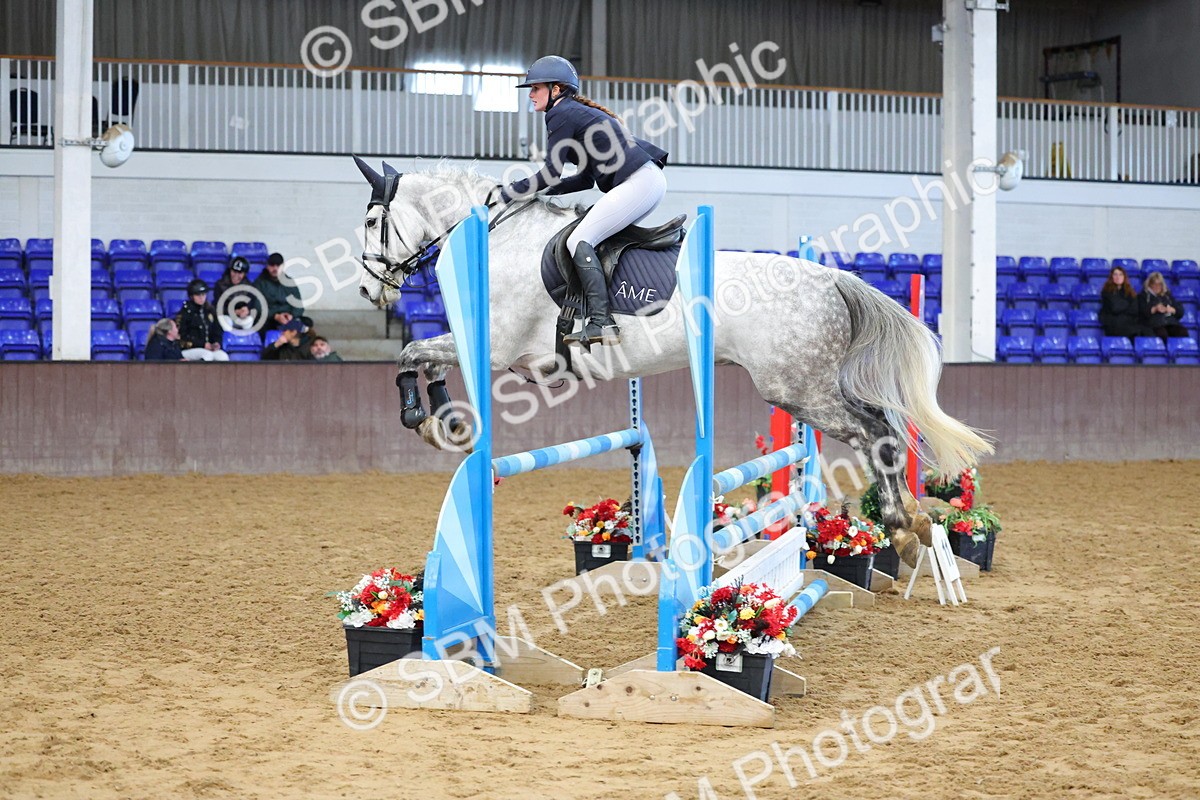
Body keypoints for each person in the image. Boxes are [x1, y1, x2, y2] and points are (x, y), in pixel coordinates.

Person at [498, 55, 668, 348]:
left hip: (639, 182)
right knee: (590, 238)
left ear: (556, 90)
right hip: (646, 182)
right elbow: (584, 180)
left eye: (535, 87)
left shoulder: (560, 114)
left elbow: (551, 173)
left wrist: (512, 190)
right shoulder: (574, 113)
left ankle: (602, 321)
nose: (530, 94)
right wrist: (537, 192)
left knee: (579, 240)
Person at [175, 279, 230, 361]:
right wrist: (202, 344)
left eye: (203, 294)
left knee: (223, 356)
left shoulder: (210, 311)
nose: (201, 298)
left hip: (209, 348)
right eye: (198, 295)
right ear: (191, 296)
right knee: (207, 355)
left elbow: (217, 330)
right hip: (190, 348)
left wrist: (216, 343)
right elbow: (181, 336)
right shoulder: (185, 313)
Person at [254, 251, 305, 331]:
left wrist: (291, 315)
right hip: (270, 318)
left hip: (288, 317)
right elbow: (257, 306)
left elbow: (298, 305)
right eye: (272, 265)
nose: (275, 268)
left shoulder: (289, 281)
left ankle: (290, 328)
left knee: (308, 322)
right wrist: (276, 316)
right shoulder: (260, 283)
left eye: (278, 265)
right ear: (267, 266)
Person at [1099, 266, 1151, 341]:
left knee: (1146, 329)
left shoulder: (1130, 292)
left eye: (1120, 274)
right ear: (1112, 277)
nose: (1118, 277)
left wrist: (1124, 305)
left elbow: (1135, 309)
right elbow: (1115, 308)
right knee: (1133, 330)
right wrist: (1128, 304)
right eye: (1115, 274)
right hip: (1113, 323)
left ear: (1124, 277)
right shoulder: (1107, 292)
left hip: (1128, 321)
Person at [1138, 270, 1189, 341]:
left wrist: (1172, 310)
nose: (1157, 287)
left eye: (1159, 284)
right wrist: (1154, 309)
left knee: (1182, 332)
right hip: (1154, 324)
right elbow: (1140, 312)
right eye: (1154, 284)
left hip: (1170, 322)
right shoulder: (1143, 296)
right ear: (1149, 284)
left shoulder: (1167, 295)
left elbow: (1180, 311)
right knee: (1162, 333)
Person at [213, 256, 259, 321]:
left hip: (242, 317)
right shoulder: (219, 285)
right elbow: (218, 307)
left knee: (249, 320)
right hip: (226, 316)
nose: (236, 275)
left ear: (245, 274)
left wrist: (246, 310)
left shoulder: (250, 287)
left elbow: (252, 305)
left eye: (240, 273)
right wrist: (235, 312)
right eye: (234, 271)